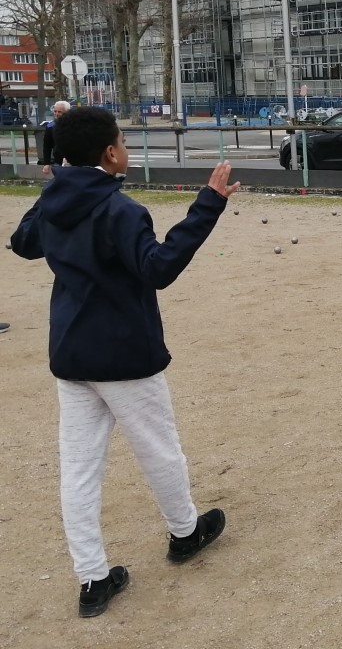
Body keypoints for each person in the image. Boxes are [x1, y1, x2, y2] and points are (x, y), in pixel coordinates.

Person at [8, 106, 236, 618]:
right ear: (110, 153)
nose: (127, 150)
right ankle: (184, 533)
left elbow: (23, 241)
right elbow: (157, 269)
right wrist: (208, 205)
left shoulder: (60, 202)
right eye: (124, 142)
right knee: (159, 450)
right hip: (125, 354)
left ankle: (92, 578)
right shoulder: (120, 209)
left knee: (80, 470)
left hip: (72, 354)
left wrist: (54, 184)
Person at [40, 100, 71, 175]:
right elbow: (47, 145)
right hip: (58, 161)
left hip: (73, 162)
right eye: (55, 111)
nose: (57, 114)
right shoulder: (50, 126)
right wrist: (46, 163)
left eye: (59, 112)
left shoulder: (74, 126)